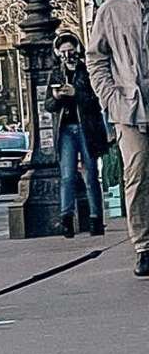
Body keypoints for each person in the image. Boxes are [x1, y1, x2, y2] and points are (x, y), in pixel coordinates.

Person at [88, 0, 149, 275]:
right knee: (137, 173)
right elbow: (96, 58)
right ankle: (143, 245)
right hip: (128, 108)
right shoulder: (110, 11)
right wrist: (110, 97)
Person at [44, 31, 107, 239]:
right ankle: (67, 220)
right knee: (67, 176)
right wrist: (57, 96)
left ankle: (96, 219)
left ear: (77, 50)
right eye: (63, 52)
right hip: (66, 130)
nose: (67, 56)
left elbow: (97, 100)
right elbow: (49, 105)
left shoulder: (87, 70)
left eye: (71, 51)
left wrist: (76, 94)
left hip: (86, 129)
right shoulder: (56, 73)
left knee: (90, 175)